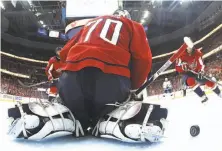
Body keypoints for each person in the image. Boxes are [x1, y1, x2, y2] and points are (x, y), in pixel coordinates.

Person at [7, 10, 168, 143]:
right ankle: (109, 121)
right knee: (109, 110)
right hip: (110, 84)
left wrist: (61, 74)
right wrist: (134, 86)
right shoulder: (133, 26)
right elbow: (143, 59)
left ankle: (61, 118)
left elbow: (64, 54)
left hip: (71, 82)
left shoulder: (90, 24)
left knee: (73, 111)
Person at [175, 37, 222, 103]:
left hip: (197, 72)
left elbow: (201, 64)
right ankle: (202, 96)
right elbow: (177, 67)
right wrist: (182, 67)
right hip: (187, 73)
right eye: (187, 47)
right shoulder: (181, 55)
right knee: (190, 81)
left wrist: (201, 71)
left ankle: (219, 93)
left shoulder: (197, 53)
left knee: (208, 81)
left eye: (190, 47)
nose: (189, 49)